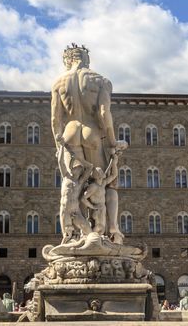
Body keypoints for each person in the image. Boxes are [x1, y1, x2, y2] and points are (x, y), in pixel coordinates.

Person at [51, 44, 127, 243]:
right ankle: (112, 230)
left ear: (67, 60)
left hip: (69, 135)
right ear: (86, 59)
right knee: (106, 182)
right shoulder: (100, 80)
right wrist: (112, 143)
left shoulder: (59, 82)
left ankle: (76, 235)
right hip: (92, 133)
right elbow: (104, 114)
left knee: (74, 186)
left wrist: (59, 147)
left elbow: (55, 121)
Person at [57, 134, 93, 243]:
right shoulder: (66, 176)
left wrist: (79, 159)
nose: (76, 169)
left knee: (88, 230)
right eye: (75, 167)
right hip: (65, 209)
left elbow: (90, 167)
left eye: (78, 168)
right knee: (67, 236)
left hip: (75, 210)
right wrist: (62, 146)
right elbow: (60, 162)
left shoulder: (80, 181)